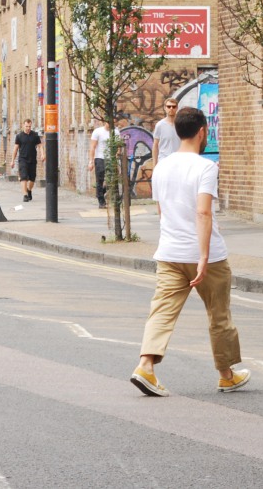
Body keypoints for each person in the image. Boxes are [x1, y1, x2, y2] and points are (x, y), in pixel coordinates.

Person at [131, 107, 250, 397]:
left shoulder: (161, 168)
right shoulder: (206, 167)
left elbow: (162, 211)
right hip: (204, 256)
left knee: (161, 311)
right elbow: (203, 212)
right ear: (201, 132)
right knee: (219, 314)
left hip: (169, 252)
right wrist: (204, 257)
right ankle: (226, 375)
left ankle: (146, 365)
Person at [12, 119, 43, 202]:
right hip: (23, 159)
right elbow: (15, 149)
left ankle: (29, 189)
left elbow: (40, 146)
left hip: (32, 159)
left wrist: (43, 154)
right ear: (23, 126)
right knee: (23, 177)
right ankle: (25, 195)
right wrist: (12, 161)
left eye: (29, 126)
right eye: (26, 126)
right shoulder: (19, 136)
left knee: (32, 179)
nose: (28, 128)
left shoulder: (35, 135)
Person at [89, 118, 114, 209]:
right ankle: (101, 202)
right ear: (105, 122)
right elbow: (92, 147)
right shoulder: (98, 131)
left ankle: (99, 193)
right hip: (100, 158)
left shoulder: (116, 132)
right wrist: (91, 161)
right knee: (100, 180)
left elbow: (118, 146)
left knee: (112, 180)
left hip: (111, 159)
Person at [152, 98, 180, 167]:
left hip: (178, 162)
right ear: (165, 108)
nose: (171, 108)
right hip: (163, 161)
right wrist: (154, 165)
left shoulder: (181, 124)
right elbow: (155, 145)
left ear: (177, 108)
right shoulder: (160, 125)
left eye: (173, 107)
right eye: (168, 106)